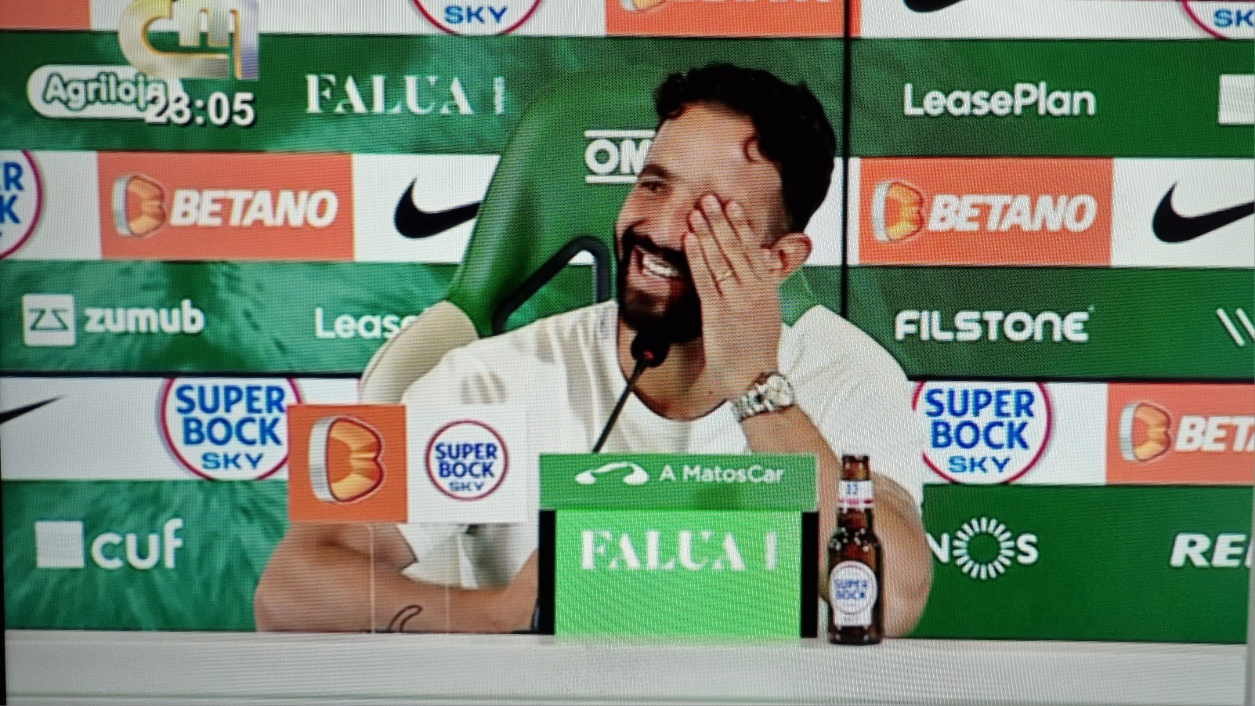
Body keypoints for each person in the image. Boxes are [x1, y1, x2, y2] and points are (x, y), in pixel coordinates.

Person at [254, 64, 932, 636]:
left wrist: (755, 387)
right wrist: (493, 614)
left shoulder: (848, 373)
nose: (658, 228)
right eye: (653, 184)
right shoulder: (491, 378)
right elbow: (291, 585)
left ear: (780, 259)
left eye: (711, 216)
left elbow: (890, 599)